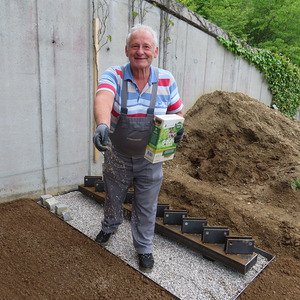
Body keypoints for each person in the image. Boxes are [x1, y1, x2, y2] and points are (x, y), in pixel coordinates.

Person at [93, 24, 184, 273]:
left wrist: (178, 125)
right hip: (117, 154)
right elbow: (103, 96)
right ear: (126, 50)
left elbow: (176, 111)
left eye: (146, 47)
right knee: (113, 195)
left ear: (155, 51)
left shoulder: (166, 80)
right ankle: (109, 226)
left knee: (146, 205)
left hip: (150, 158)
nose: (140, 51)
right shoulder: (114, 75)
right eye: (135, 46)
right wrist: (102, 124)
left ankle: (143, 248)